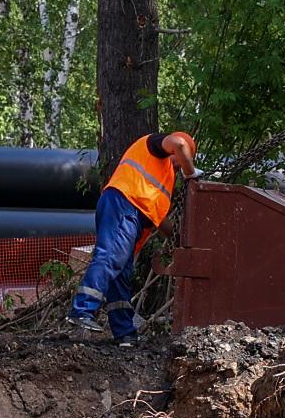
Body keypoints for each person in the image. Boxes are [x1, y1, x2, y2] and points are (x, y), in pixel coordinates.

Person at [68, 129, 197, 342]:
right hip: (123, 204)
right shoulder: (155, 145)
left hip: (129, 212)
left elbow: (159, 217)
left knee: (120, 275)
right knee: (110, 257)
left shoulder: (165, 175)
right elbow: (180, 145)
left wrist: (179, 238)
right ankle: (82, 309)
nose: (179, 163)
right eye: (181, 159)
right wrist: (191, 173)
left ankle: (125, 333)